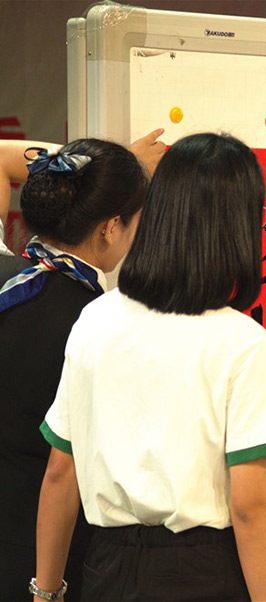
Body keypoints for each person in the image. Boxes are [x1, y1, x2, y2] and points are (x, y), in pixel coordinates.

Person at [33, 132, 266, 602]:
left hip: (106, 569)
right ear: (237, 228)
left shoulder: (96, 317)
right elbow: (251, 506)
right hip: (203, 573)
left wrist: (45, 592)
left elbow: (60, 472)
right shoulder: (244, 343)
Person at [0, 130, 164, 602]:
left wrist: (104, 166)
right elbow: (68, 470)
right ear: (110, 227)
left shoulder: (9, 277)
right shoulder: (104, 323)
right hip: (53, 560)